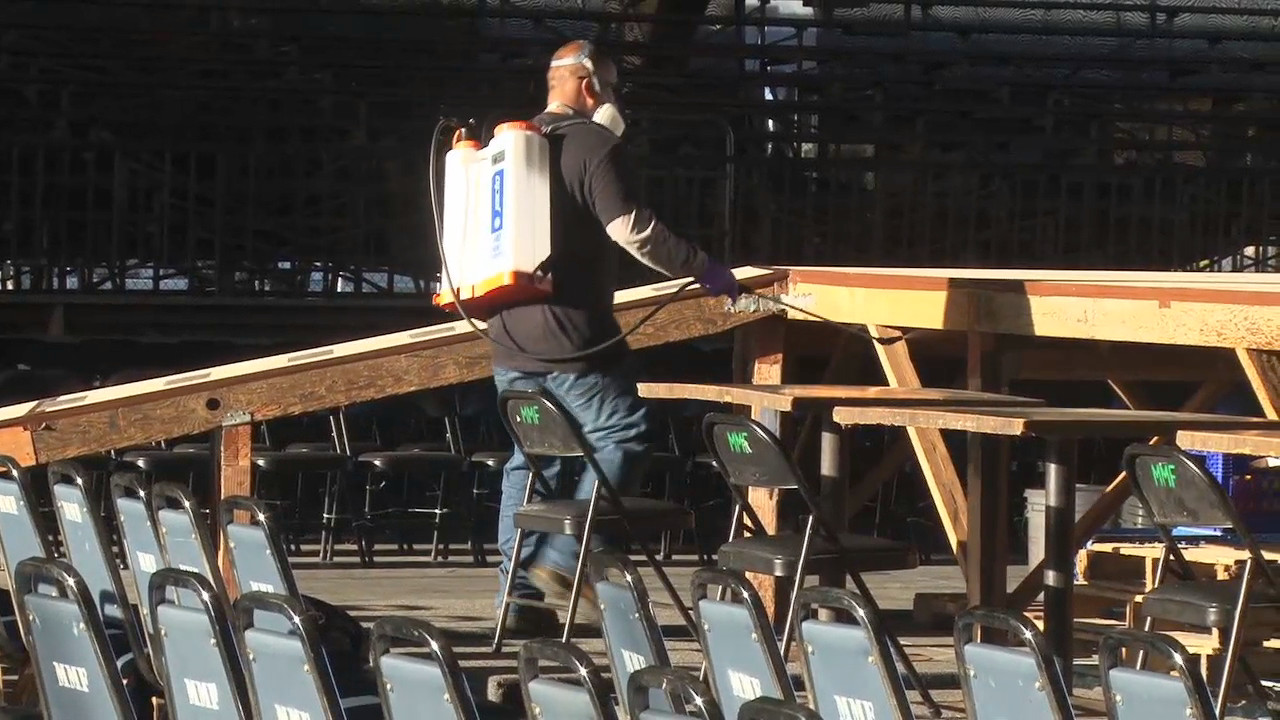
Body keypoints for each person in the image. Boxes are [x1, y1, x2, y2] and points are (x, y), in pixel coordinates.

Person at [485, 39, 740, 636]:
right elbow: (634, 231)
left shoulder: (505, 147)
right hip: (575, 340)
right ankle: (567, 562)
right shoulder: (593, 145)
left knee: (529, 464)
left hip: (507, 342)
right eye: (613, 87)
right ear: (591, 86)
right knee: (622, 430)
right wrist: (703, 266)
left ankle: (517, 601)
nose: (615, 100)